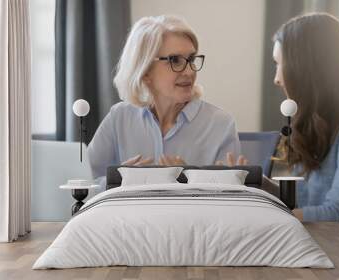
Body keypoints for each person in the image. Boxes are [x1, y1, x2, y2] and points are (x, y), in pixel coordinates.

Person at [88, 15, 247, 188]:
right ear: (145, 70)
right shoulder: (119, 117)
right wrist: (119, 181)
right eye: (175, 60)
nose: (189, 71)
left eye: (191, 59)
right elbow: (84, 183)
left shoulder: (221, 124)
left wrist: (191, 180)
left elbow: (231, 201)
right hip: (128, 215)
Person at [269, 13, 339, 221]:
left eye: (280, 64)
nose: (277, 79)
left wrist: (272, 221)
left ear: (307, 68)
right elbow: (304, 201)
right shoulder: (316, 125)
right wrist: (252, 182)